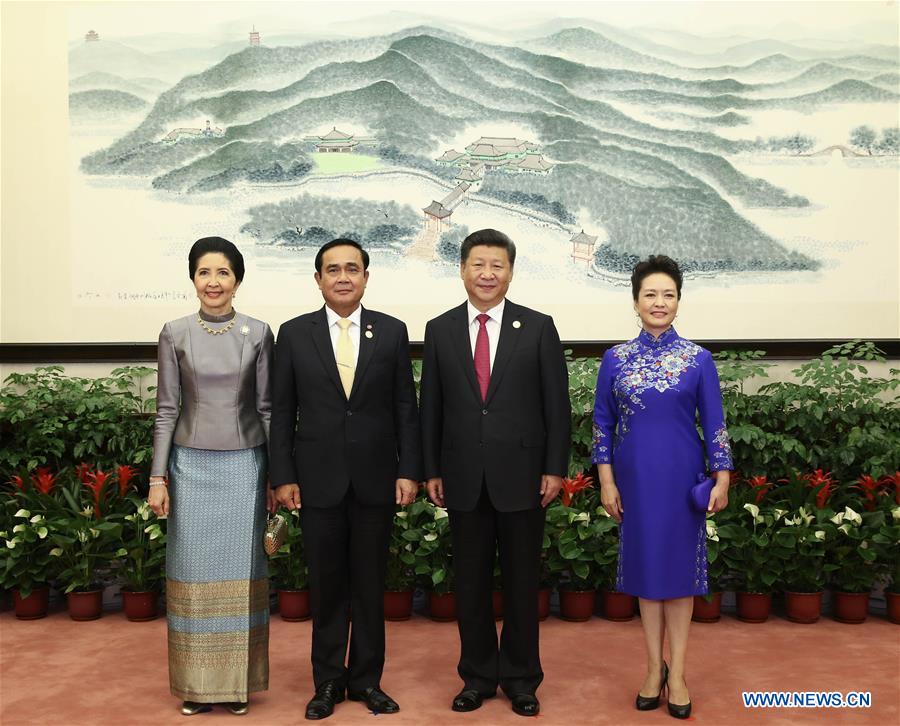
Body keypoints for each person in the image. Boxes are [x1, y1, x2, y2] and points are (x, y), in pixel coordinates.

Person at [420, 228, 571, 718]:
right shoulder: (440, 329)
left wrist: (554, 468)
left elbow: (557, 407)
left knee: (524, 584)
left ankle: (522, 680)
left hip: (524, 476)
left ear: (510, 272)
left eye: (497, 265)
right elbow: (431, 408)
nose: (487, 274)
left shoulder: (539, 327)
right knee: (470, 584)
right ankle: (478, 677)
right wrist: (431, 468)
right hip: (462, 475)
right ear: (462, 269)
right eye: (478, 264)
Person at [269, 238, 421, 721]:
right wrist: (283, 475)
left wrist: (408, 469)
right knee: (328, 586)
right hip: (317, 480)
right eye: (332, 269)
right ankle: (329, 681)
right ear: (318, 279)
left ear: (366, 278)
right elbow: (282, 412)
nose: (342, 277)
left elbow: (405, 407)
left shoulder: (391, 331)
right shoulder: (295, 334)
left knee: (371, 585)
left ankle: (368, 680)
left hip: (377, 479)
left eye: (352, 269)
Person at [592, 255, 732, 720]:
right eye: (650, 294)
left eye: (668, 295)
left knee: (679, 578)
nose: (659, 302)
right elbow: (602, 425)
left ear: (678, 301)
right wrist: (606, 482)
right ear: (635, 301)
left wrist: (722, 477)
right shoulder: (615, 359)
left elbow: (715, 423)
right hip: (633, 483)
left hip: (682, 481)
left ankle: (681, 673)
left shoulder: (698, 359)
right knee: (647, 578)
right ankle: (654, 668)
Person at [147, 236, 275, 717]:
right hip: (190, 467)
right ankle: (195, 686)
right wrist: (157, 478)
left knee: (242, 577)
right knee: (191, 574)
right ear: (193, 279)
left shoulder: (258, 332)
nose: (213, 282)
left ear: (237, 280)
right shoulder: (174, 333)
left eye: (223, 273)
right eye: (204, 272)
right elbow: (166, 410)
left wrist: (276, 476)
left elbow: (267, 409)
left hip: (245, 467)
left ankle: (238, 685)